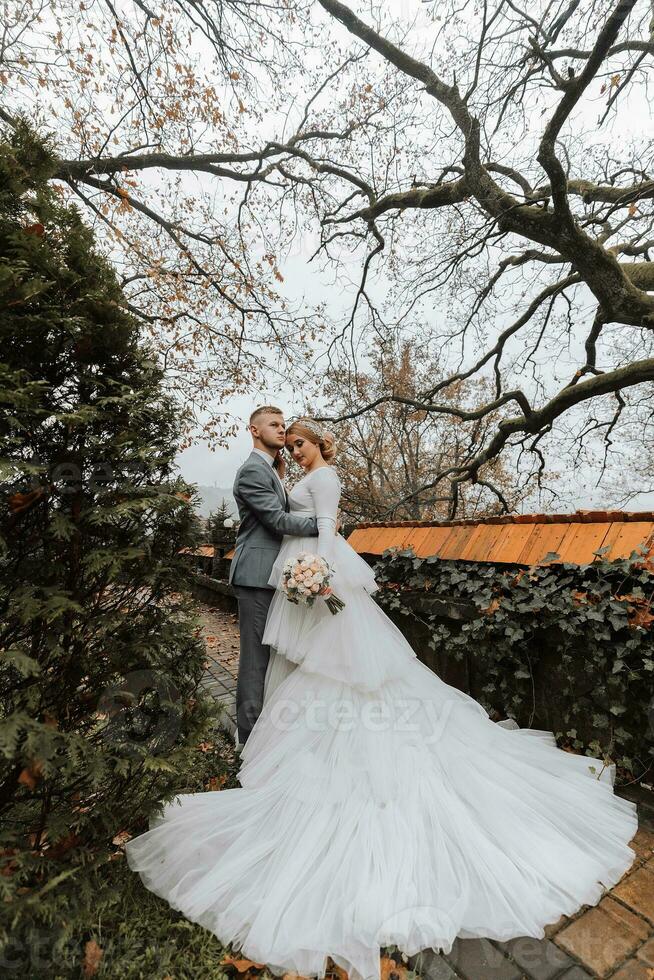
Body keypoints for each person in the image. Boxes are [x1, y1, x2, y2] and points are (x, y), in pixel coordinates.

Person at [126, 417, 639, 980]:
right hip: (304, 576)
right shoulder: (281, 470)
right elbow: (286, 520)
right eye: (289, 441)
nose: (295, 449)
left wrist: (317, 570)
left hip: (318, 573)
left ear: (319, 442)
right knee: (308, 673)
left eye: (300, 441)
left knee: (343, 674)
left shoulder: (325, 477)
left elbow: (322, 527)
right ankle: (296, 745)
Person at [228, 406, 323, 748]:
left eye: (284, 425)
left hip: (271, 574)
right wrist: (322, 525)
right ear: (254, 430)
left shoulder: (270, 469)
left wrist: (281, 478)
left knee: (273, 657)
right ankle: (249, 740)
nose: (282, 431)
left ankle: (267, 732)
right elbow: (277, 521)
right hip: (255, 575)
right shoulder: (252, 471)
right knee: (256, 660)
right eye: (273, 425)